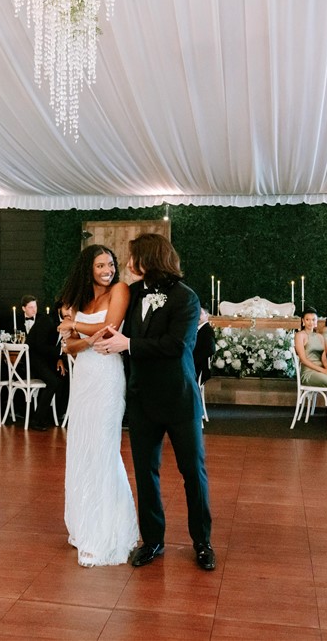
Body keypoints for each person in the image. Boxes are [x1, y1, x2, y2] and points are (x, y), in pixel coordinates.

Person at [92, 234, 215, 571]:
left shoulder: (186, 299)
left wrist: (128, 345)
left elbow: (177, 345)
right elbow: (107, 325)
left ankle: (202, 542)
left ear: (147, 259)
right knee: (145, 473)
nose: (127, 263)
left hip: (178, 397)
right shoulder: (130, 295)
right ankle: (153, 541)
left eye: (133, 257)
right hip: (142, 398)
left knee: (193, 472)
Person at [55, 245, 137, 566]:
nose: (108, 269)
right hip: (84, 379)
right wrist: (82, 336)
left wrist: (75, 327)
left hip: (107, 376)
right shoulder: (78, 301)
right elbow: (70, 348)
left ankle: (107, 531)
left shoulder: (120, 290)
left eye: (111, 263)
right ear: (87, 268)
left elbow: (111, 329)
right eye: (101, 264)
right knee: (81, 448)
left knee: (104, 449)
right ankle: (83, 523)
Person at [18, 295, 62, 431]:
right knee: (53, 382)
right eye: (68, 308)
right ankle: (37, 419)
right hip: (32, 361)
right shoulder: (47, 320)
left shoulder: (57, 320)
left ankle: (57, 414)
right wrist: (61, 352)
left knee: (62, 378)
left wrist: (60, 357)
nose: (71, 312)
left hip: (45, 359)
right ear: (60, 308)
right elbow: (40, 346)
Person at [193, 307, 216, 385]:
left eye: (200, 314)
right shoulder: (200, 329)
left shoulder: (207, 329)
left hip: (200, 367)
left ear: (207, 316)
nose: (198, 316)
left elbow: (211, 349)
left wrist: (194, 360)